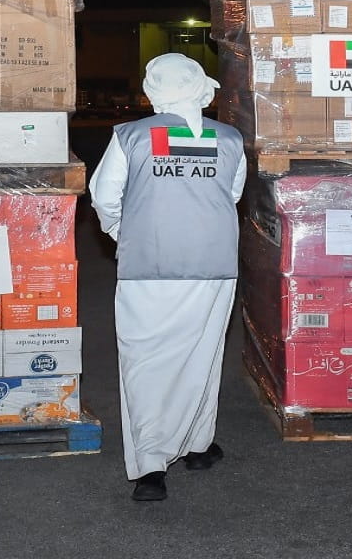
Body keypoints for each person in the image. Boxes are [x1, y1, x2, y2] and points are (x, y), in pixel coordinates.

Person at [89, 54, 248, 502]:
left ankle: (151, 466)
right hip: (213, 263)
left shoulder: (130, 136)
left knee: (146, 362)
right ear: (201, 89)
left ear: (153, 92)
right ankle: (196, 446)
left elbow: (105, 198)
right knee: (202, 354)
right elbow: (230, 195)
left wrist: (124, 231)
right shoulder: (230, 138)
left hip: (148, 266)